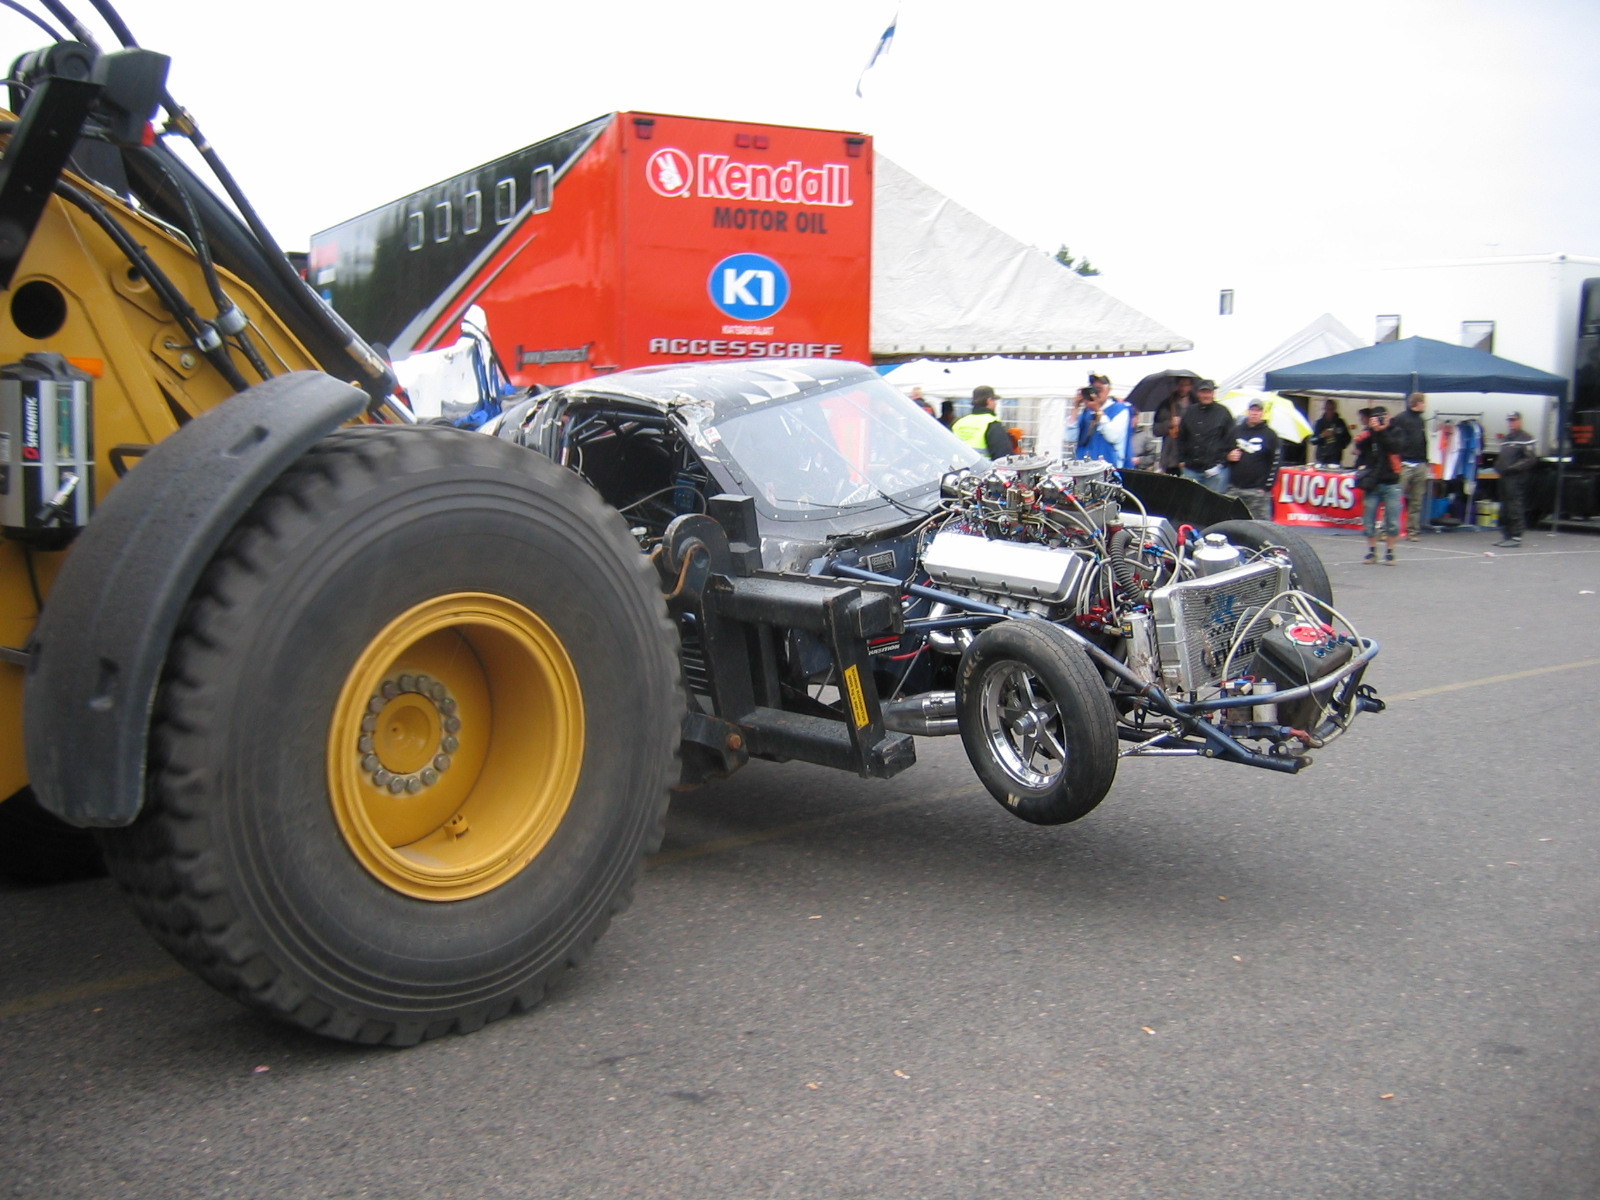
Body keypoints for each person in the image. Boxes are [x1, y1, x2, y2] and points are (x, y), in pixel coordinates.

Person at [1353, 406, 1403, 564]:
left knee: (1392, 520)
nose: (1380, 420)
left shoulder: (1396, 430)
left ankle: (1390, 552)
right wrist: (1372, 430)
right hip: (1373, 482)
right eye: (1376, 418)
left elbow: (1395, 447)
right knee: (1369, 519)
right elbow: (1358, 444)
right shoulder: (1369, 433)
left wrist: (1383, 430)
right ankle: (1372, 551)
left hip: (1391, 482)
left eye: (1382, 417)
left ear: (1388, 416)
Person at [1225, 399, 1281, 521]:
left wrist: (1266, 487)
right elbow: (1222, 451)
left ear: (1263, 413)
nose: (1254, 413)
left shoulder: (1270, 435)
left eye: (1258, 410)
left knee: (1260, 525)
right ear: (1248, 411)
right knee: (1231, 521)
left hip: (1257, 491)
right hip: (1235, 488)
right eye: (1252, 410)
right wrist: (1228, 456)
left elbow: (1276, 462)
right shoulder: (1236, 430)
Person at [1176, 380, 1234, 491]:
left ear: (1213, 393)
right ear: (1198, 394)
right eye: (1203, 392)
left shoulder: (1223, 412)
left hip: (1216, 471)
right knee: (1191, 504)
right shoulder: (1190, 411)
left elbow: (1231, 439)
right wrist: (1181, 460)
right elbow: (1181, 438)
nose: (1205, 395)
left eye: (1208, 392)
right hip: (1191, 470)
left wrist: (1222, 461)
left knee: (1214, 505)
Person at [1390, 392, 1431, 538]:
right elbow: (1392, 437)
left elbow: (1423, 440)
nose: (1425, 405)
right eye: (1423, 402)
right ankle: (1388, 529)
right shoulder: (1400, 418)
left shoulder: (1421, 420)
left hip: (1420, 462)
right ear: (1417, 403)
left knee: (1417, 499)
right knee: (1395, 497)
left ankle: (1412, 530)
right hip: (1405, 462)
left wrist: (1426, 460)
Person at [1494, 411, 1538, 547]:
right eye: (1509, 420)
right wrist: (1498, 466)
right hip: (1504, 477)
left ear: (1520, 421)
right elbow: (1501, 457)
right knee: (1504, 507)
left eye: (1514, 420)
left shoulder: (1526, 438)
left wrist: (1513, 468)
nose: (1511, 423)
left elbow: (1530, 459)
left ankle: (1516, 536)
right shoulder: (1507, 438)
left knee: (1514, 506)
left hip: (1516, 478)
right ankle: (1506, 534)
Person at [1075, 383, 1132, 468]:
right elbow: (1070, 437)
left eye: (1099, 389)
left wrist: (1098, 410)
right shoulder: (1087, 412)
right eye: (1093, 389)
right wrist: (1076, 407)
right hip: (1084, 466)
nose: (1096, 393)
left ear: (1108, 390)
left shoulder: (1119, 409)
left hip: (1108, 467)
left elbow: (1114, 437)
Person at [951, 385, 1015, 459]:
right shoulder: (992, 423)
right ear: (989, 400)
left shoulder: (958, 423)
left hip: (957, 468)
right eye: (994, 400)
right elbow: (1004, 457)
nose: (995, 403)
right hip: (983, 469)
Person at [1155, 375, 1196, 475]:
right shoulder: (1165, 405)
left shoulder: (1197, 404)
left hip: (1191, 457)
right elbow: (1156, 430)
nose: (1183, 388)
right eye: (1181, 385)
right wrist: (1170, 423)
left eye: (1186, 385)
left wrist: (1185, 423)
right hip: (1171, 458)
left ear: (1191, 386)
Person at [1312, 398, 1352, 467]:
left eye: (1332, 409)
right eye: (1328, 409)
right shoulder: (1319, 423)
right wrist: (1322, 435)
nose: (1330, 411)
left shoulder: (1340, 422)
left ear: (1335, 409)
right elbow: (1312, 440)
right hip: (1321, 457)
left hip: (1335, 458)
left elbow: (1348, 438)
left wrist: (1340, 446)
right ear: (1324, 409)